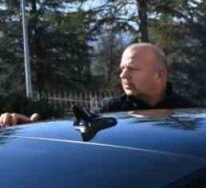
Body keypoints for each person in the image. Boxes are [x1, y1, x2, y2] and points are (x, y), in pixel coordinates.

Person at [0, 42, 192, 127]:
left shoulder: (189, 114)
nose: (123, 75)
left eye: (132, 69)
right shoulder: (108, 110)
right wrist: (32, 126)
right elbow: (73, 131)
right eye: (122, 68)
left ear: (159, 75)